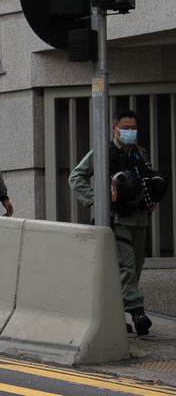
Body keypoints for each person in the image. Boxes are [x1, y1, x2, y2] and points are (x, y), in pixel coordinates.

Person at [69, 109, 165, 336]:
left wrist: (152, 199)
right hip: (117, 219)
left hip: (139, 219)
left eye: (133, 128)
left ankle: (115, 316)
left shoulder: (140, 154)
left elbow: (147, 181)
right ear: (115, 129)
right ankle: (138, 312)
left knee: (135, 268)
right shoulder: (103, 152)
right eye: (126, 128)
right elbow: (76, 177)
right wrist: (97, 199)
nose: (130, 132)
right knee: (127, 266)